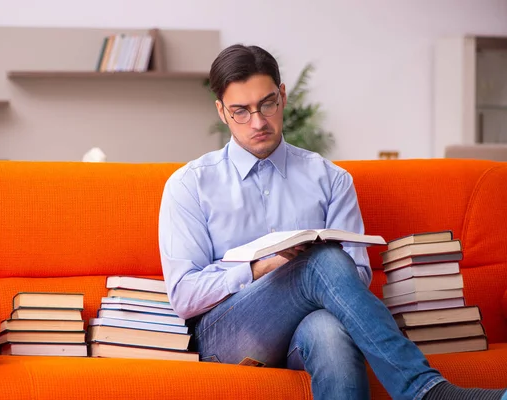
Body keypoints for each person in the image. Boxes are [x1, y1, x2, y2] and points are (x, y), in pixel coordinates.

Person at [157, 44, 507, 400]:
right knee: (319, 261)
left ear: (282, 95)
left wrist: (315, 275)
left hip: (308, 328)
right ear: (221, 111)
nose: (258, 122)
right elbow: (184, 296)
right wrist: (265, 267)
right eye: (241, 112)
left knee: (328, 330)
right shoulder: (190, 185)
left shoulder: (330, 178)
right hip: (227, 333)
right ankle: (424, 390)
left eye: (266, 104)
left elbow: (356, 274)